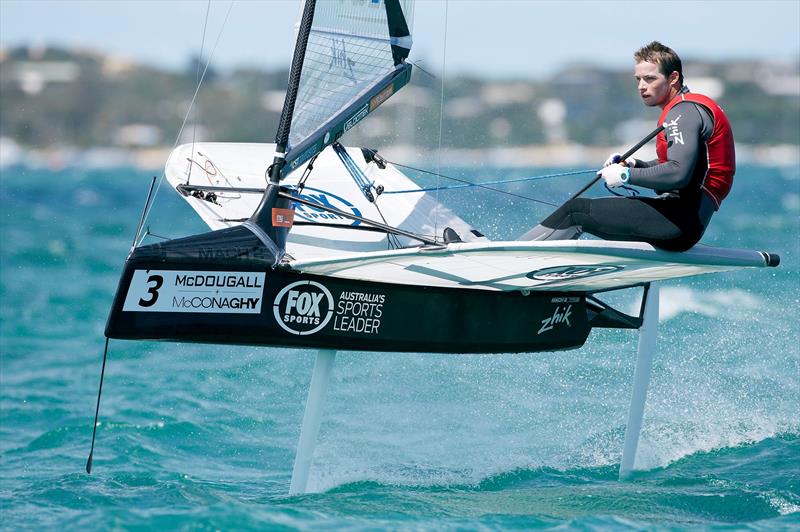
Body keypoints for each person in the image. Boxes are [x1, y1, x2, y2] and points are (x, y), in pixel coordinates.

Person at [521, 41, 735, 252]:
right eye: (639, 79)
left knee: (575, 212)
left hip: (679, 220)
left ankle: (516, 256)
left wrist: (625, 176)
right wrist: (635, 164)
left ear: (673, 78)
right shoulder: (687, 108)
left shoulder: (683, 113)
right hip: (681, 218)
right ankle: (549, 278)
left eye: (650, 79)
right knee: (580, 212)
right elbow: (683, 166)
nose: (642, 86)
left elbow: (678, 173)